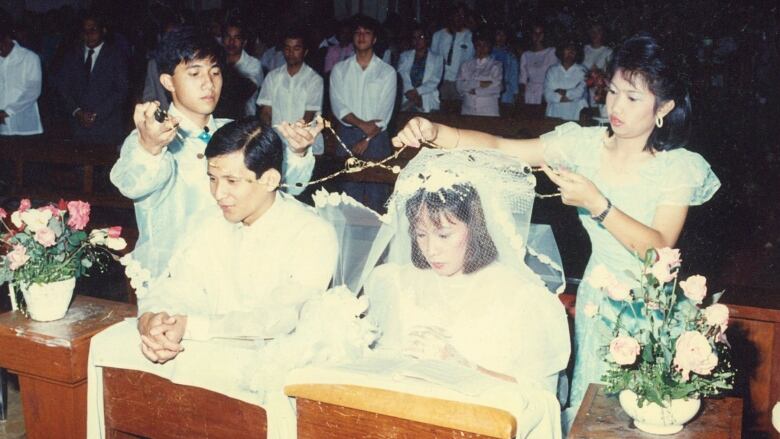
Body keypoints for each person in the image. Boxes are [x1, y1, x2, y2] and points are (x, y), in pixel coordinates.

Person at [392, 35, 721, 431]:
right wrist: (436, 133)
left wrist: (598, 203)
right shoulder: (581, 145)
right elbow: (501, 147)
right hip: (599, 302)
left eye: (633, 98)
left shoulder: (677, 167)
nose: (615, 106)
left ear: (664, 108)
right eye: (613, 91)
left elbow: (658, 249)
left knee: (651, 418)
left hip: (653, 309)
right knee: (593, 419)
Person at [88, 118, 338, 439]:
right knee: (109, 343)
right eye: (212, 178)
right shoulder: (209, 221)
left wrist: (190, 327)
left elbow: (280, 319)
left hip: (271, 361)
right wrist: (155, 320)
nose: (219, 193)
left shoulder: (312, 232)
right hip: (207, 345)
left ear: (271, 179)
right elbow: (176, 283)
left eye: (232, 181)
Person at [357, 149, 570, 438]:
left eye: (444, 234)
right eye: (420, 234)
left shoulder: (523, 298)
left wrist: (462, 366)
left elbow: (540, 402)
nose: (431, 249)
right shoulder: (395, 281)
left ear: (477, 227)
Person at [110, 28, 318, 281]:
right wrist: (151, 149)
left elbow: (287, 186)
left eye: (215, 72)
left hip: (234, 271)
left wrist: (297, 151)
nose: (208, 83)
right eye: (195, 73)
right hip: (174, 275)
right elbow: (131, 185)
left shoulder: (233, 131)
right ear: (168, 82)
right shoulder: (151, 137)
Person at [329, 14, 396, 213]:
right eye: (357, 32)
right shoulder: (340, 70)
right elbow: (339, 106)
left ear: (374, 39)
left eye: (367, 33)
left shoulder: (387, 72)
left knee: (377, 197)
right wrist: (361, 125)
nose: (361, 36)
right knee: (349, 198)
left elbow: (385, 113)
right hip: (348, 136)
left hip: (377, 139)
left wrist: (367, 137)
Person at [54, 12, 129, 144]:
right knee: (78, 163)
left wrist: (96, 114)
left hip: (107, 126)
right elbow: (63, 87)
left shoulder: (117, 55)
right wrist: (77, 112)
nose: (89, 34)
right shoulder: (71, 54)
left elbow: (121, 90)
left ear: (103, 30)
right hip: (78, 126)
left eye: (93, 29)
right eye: (85, 30)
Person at [257, 27, 325, 154]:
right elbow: (266, 111)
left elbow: (308, 116)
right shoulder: (272, 77)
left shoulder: (314, 79)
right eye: (287, 48)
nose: (291, 52)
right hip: (277, 143)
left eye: (296, 48)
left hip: (305, 142)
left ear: (305, 52)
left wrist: (295, 142)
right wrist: (268, 138)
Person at [0, 15, 43, 137]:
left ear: (8, 39)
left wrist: (7, 112)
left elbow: (33, 91)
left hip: (24, 127)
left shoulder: (29, 58)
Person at [430, 4, 474, 112]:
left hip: (459, 82)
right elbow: (432, 59)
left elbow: (471, 60)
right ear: (450, 16)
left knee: (458, 113)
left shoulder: (470, 36)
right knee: (441, 112)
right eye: (456, 15)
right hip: (441, 81)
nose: (459, 18)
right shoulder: (438, 35)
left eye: (462, 15)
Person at [396, 24, 443, 113]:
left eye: (421, 37)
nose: (417, 41)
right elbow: (401, 75)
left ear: (427, 39)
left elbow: (435, 80)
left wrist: (417, 92)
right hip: (407, 97)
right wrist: (411, 94)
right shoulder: (404, 56)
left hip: (427, 97)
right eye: (414, 38)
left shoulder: (438, 58)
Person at [222, 19, 264, 117]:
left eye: (236, 38)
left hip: (245, 118)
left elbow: (244, 93)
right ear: (223, 40)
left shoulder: (253, 64)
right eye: (228, 37)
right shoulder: (216, 61)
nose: (231, 42)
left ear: (244, 42)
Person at [457, 28, 502, 117]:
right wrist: (480, 83)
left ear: (490, 47)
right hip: (467, 111)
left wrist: (475, 90)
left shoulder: (496, 65)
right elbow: (459, 87)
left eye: (485, 45)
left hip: (488, 111)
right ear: (474, 46)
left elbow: (496, 88)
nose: (481, 48)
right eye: (478, 45)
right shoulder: (465, 65)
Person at [544, 40, 588, 121]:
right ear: (561, 50)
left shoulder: (582, 71)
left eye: (573, 50)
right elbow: (548, 95)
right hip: (554, 114)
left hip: (575, 114)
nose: (570, 52)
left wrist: (563, 92)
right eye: (568, 49)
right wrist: (570, 95)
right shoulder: (552, 70)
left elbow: (579, 93)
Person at [519, 23, 558, 105]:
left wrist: (547, 94)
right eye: (535, 33)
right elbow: (523, 79)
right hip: (529, 94)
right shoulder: (526, 55)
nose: (537, 36)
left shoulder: (551, 52)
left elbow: (555, 76)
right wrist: (522, 95)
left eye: (540, 33)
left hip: (546, 92)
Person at [492, 25, 519, 106]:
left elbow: (514, 75)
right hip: (491, 88)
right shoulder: (489, 52)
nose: (501, 37)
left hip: (507, 90)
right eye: (498, 34)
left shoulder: (510, 54)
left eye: (503, 35)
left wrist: (515, 92)